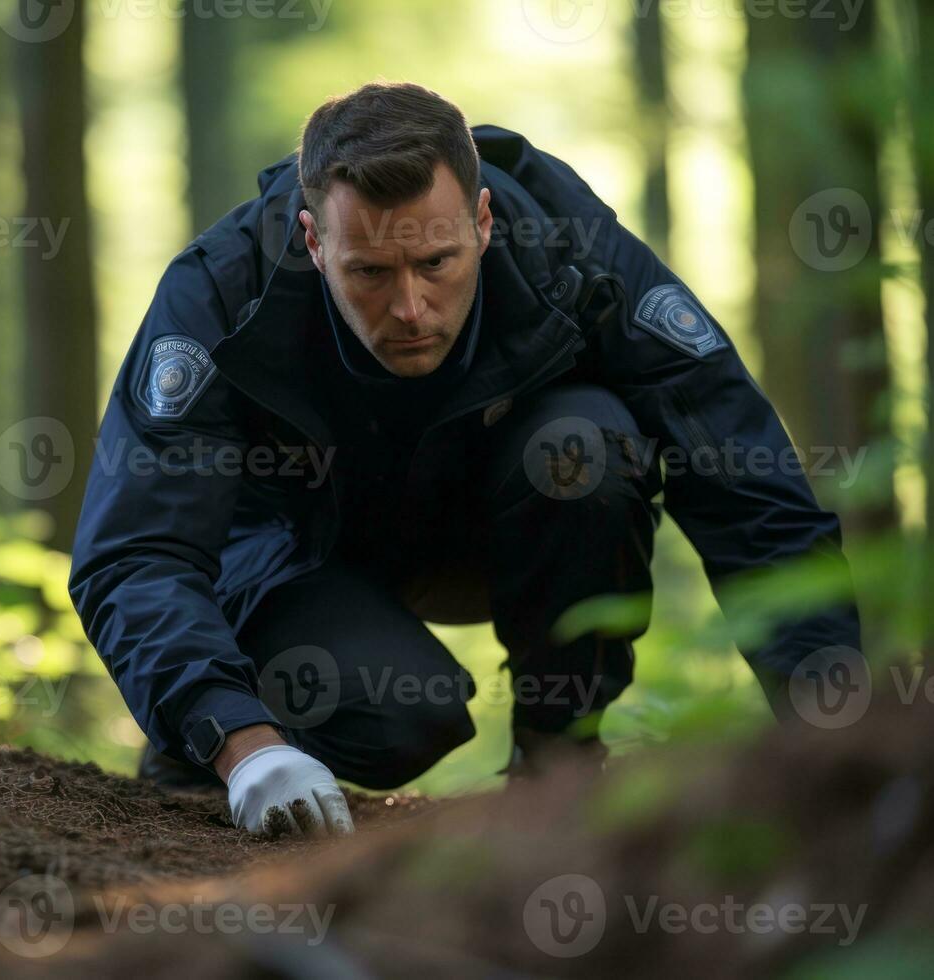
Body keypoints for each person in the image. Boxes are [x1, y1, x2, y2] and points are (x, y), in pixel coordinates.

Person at [68, 82, 862, 839]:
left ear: (482, 221)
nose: (409, 308)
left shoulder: (576, 257)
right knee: (407, 715)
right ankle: (204, 752)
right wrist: (243, 742)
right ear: (314, 240)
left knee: (581, 442)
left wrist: (837, 739)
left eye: (436, 263)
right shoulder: (218, 292)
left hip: (494, 529)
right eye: (370, 272)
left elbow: (752, 496)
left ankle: (558, 771)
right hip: (293, 560)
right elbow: (134, 554)